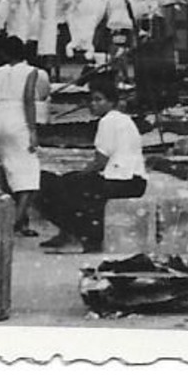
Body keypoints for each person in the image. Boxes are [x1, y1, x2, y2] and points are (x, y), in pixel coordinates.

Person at [37, 73, 146, 253]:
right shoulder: (123, 119)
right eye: (92, 100)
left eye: (99, 100)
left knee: (56, 187)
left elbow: (99, 162)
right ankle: (71, 233)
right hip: (134, 180)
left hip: (122, 181)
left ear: (111, 102)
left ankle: (82, 236)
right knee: (70, 183)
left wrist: (78, 174)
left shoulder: (108, 121)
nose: (93, 104)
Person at [0, 45, 51, 235]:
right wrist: (33, 129)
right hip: (18, 118)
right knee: (30, 173)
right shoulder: (31, 71)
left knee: (8, 168)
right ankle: (16, 220)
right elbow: (29, 98)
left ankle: (21, 221)